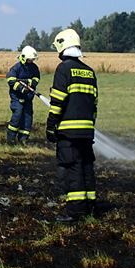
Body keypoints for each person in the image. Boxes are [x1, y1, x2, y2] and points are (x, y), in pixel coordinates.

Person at [45, 29, 98, 222]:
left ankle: (75, 211)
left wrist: (51, 125)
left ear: (62, 45)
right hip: (87, 131)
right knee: (86, 167)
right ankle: (90, 207)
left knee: (72, 168)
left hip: (68, 131)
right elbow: (94, 104)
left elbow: (58, 100)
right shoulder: (89, 72)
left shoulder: (64, 69)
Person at [5, 46, 40, 144]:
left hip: (28, 97)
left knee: (28, 117)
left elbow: (36, 77)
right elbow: (10, 80)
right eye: (30, 59)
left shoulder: (34, 67)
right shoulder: (16, 68)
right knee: (18, 114)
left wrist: (33, 83)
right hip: (17, 97)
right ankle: (11, 138)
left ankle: (23, 138)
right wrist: (21, 88)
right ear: (24, 58)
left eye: (33, 59)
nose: (32, 61)